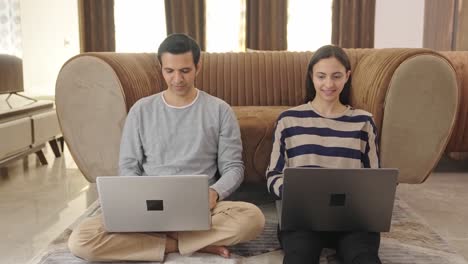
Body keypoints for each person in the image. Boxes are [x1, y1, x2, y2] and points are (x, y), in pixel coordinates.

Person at [68, 33, 265, 262]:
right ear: (160, 68)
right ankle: (188, 243)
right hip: (148, 206)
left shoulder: (220, 110)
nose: (177, 79)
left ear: (198, 67)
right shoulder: (141, 110)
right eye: (169, 71)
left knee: (253, 218)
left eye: (185, 71)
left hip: (201, 206)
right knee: (81, 239)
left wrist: (214, 192)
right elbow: (128, 165)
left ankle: (159, 241)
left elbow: (233, 167)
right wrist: (135, 200)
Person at [266, 45, 381, 264]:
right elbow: (273, 175)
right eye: (321, 76)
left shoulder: (364, 121)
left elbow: (374, 177)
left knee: (364, 258)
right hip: (303, 217)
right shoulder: (288, 120)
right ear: (311, 76)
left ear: (347, 76)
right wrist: (295, 194)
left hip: (352, 218)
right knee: (299, 257)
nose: (328, 84)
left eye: (336, 76)